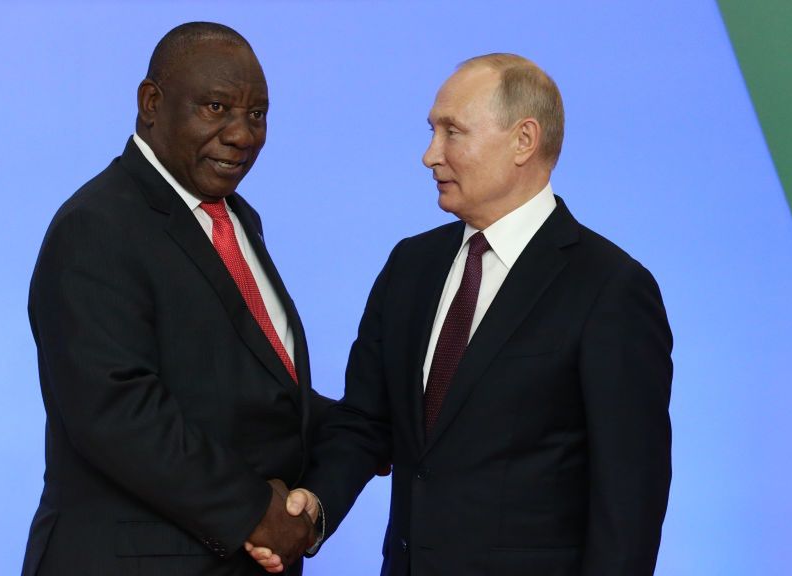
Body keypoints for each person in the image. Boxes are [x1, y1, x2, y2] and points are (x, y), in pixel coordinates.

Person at [250, 53, 673, 575]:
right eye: (432, 131)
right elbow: (364, 421)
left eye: (453, 132)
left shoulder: (610, 288)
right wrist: (314, 507)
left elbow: (629, 499)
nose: (430, 155)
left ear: (524, 140)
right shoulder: (411, 264)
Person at [21, 22, 329, 576]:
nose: (242, 134)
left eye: (256, 114)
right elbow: (117, 412)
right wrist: (256, 511)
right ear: (151, 103)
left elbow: (244, 389)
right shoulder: (97, 225)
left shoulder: (236, 220)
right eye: (216, 107)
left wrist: (369, 427)